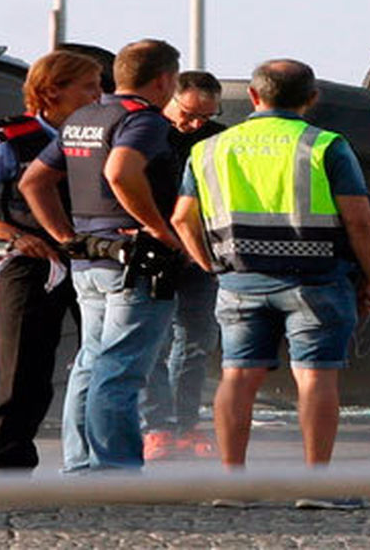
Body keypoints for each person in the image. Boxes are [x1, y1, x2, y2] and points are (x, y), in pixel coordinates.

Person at [172, 59, 370, 508]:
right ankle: (315, 486)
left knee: (238, 377)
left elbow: (180, 219)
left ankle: (232, 484)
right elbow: (359, 221)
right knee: (315, 378)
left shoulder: (210, 148)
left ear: (253, 96)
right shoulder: (325, 145)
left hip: (240, 280)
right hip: (317, 282)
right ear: (312, 99)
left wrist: (210, 265)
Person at [19, 38, 183, 472]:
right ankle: (116, 469)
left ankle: (80, 463)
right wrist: (158, 229)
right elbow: (121, 171)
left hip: (88, 260)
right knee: (121, 368)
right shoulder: (142, 120)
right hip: (134, 264)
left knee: (91, 363)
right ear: (165, 80)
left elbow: (33, 181)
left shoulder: (84, 118)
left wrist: (65, 235)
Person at [0, 49, 104, 471]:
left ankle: (97, 458)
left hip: (92, 260)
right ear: (53, 91)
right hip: (29, 262)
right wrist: (16, 236)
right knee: (25, 371)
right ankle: (8, 463)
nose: (98, 95)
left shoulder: (99, 136)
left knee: (104, 358)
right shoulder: (6, 142)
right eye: (88, 86)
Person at [139, 71, 225, 461]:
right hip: (154, 248)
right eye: (188, 114)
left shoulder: (218, 139)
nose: (194, 124)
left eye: (205, 117)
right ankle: (156, 426)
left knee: (196, 340)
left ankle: (185, 422)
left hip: (200, 252)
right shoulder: (145, 132)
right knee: (152, 342)